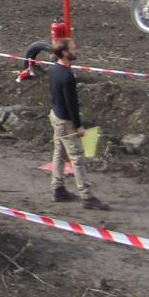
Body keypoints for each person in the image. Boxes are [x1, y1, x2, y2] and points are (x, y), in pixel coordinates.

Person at [45, 38, 108, 210]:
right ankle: (87, 196)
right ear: (65, 52)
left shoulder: (53, 69)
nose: (76, 50)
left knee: (59, 152)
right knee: (77, 157)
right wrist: (78, 126)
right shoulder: (68, 77)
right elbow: (71, 104)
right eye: (73, 48)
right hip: (66, 121)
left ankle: (58, 189)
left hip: (56, 116)